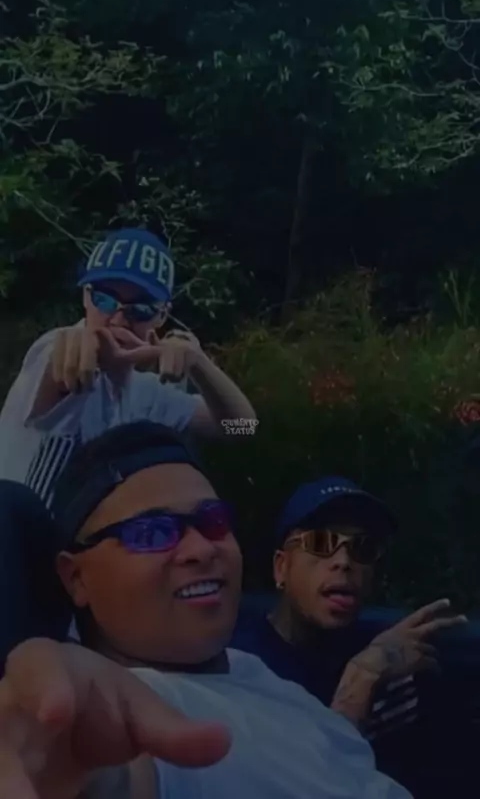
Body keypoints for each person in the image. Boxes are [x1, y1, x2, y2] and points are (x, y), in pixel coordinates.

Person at [0, 421, 413, 799]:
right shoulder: (139, 716)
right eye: (152, 532)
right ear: (76, 578)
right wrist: (57, 740)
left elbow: (246, 423)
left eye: (214, 521)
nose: (201, 548)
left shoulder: (250, 672)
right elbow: (106, 764)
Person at [231, 477, 469, 795]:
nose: (344, 562)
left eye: (362, 548)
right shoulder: (239, 670)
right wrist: (361, 680)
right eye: (319, 542)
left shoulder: (400, 654)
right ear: (281, 567)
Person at [0, 227, 256, 505]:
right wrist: (81, 351)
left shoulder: (150, 394)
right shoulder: (52, 349)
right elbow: (60, 365)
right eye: (105, 300)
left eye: (140, 309)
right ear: (86, 297)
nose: (118, 319)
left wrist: (200, 364)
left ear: (162, 316)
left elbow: (241, 428)